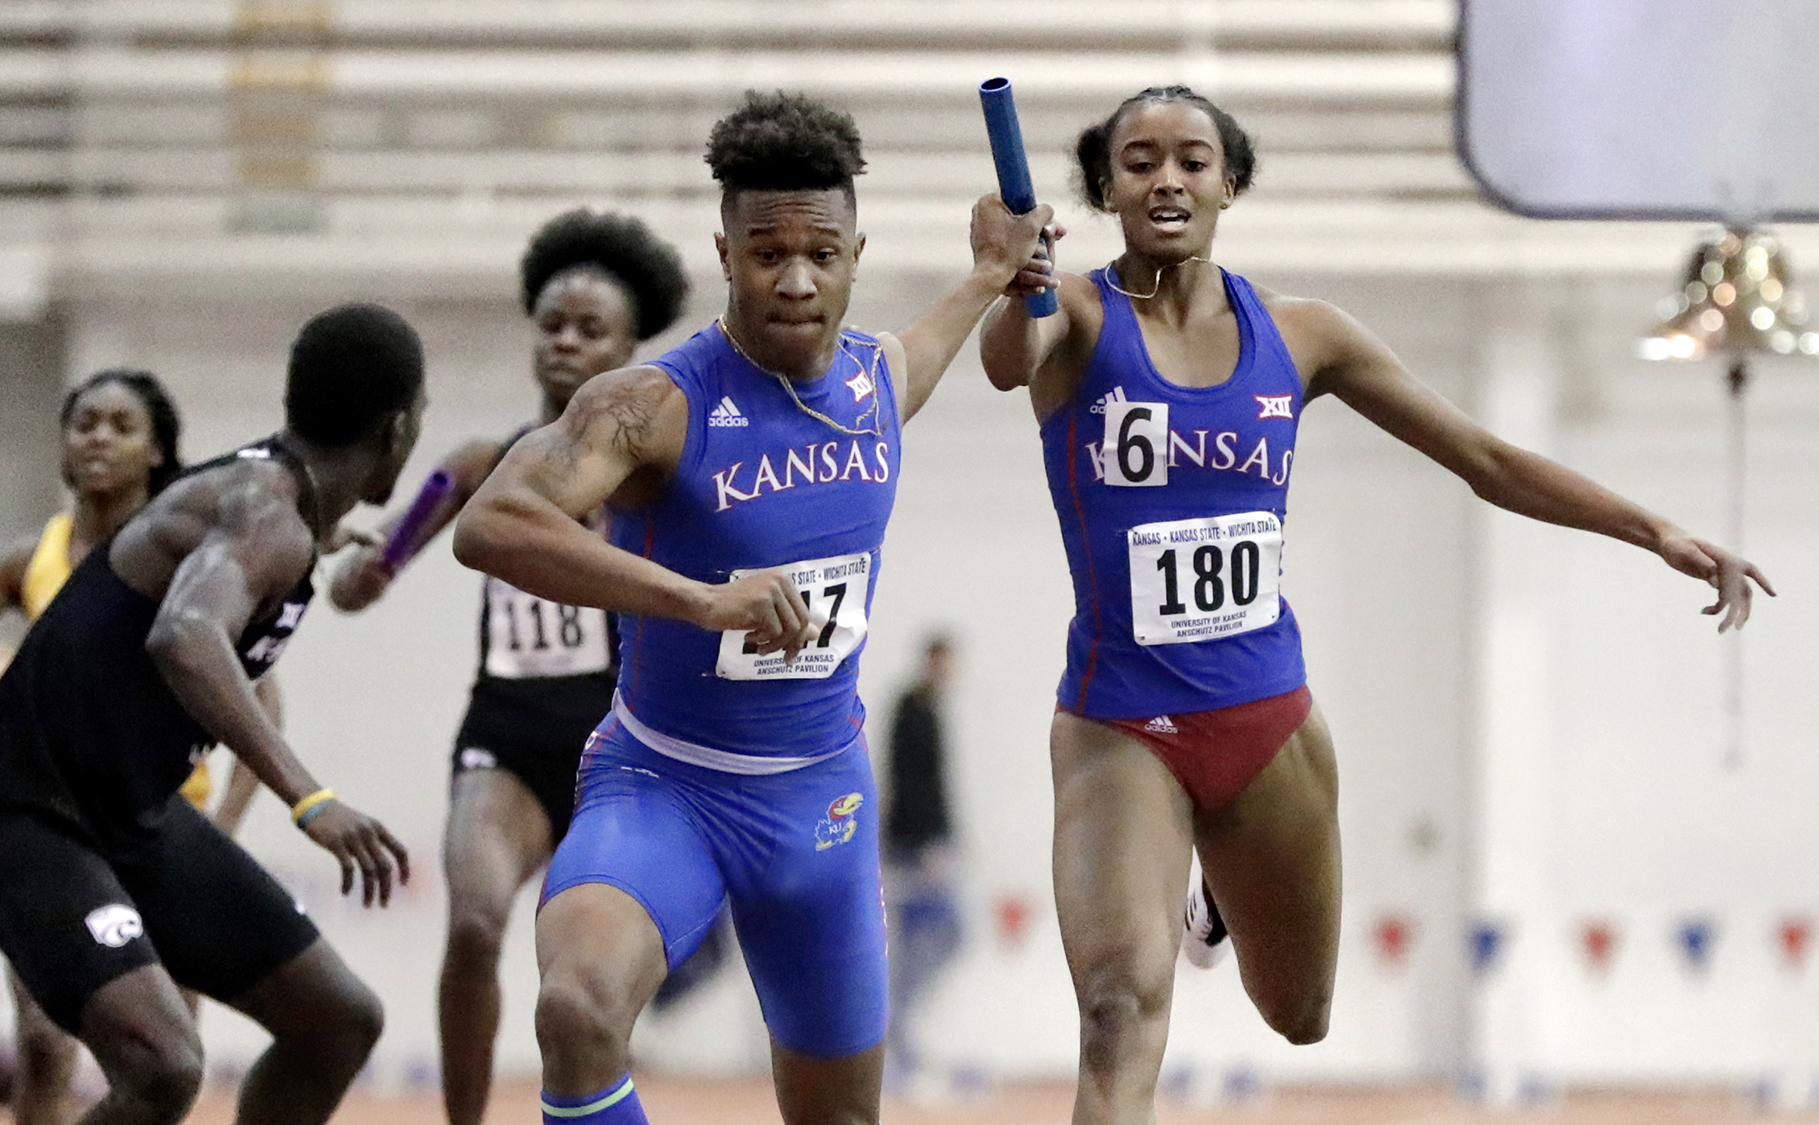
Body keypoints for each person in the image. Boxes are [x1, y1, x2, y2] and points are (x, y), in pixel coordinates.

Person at [976, 85, 1775, 1123]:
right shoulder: (1074, 317)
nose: (1164, 179)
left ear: (1230, 184)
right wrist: (1008, 280)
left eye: (1190, 160)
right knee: (1118, 1009)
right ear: (1104, 188)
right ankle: (1167, 867)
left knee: (1298, 1013)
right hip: (1119, 719)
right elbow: (1007, 363)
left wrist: (1650, 529)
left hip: (1264, 716)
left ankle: (1209, 892)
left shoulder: (1304, 335)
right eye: (1136, 162)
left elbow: (1484, 458)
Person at [449, 90, 1051, 1125]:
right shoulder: (650, 406)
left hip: (818, 806)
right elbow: (489, 525)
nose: (796, 279)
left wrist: (994, 273)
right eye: (765, 252)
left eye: (820, 252)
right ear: (722, 254)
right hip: (660, 789)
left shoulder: (875, 382)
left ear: (855, 251)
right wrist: (695, 600)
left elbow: (928, 352)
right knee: (575, 1009)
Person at [0, 303, 425, 1125]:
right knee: (163, 1065)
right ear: (399, 431)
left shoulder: (273, 506)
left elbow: (205, 556)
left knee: (338, 1020)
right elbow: (187, 634)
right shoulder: (265, 512)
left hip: (132, 812)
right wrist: (312, 798)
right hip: (21, 812)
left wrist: (324, 539)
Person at [327, 209, 699, 1125]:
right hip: (504, 734)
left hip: (618, 742)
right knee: (475, 922)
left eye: (591, 330)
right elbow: (368, 578)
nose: (567, 343)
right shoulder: (479, 465)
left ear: (629, 346)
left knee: (584, 971)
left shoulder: (652, 477)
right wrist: (359, 571)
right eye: (553, 325)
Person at [0, 368, 261, 1125]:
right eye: (83, 422)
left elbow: (260, 702)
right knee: (43, 1039)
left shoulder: (188, 558)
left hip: (162, 828)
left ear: (157, 452)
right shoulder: (33, 557)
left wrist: (222, 828)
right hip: (54, 826)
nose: (96, 437)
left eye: (120, 425)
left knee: (166, 1055)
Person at [881, 634, 964, 1089]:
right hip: (914, 845)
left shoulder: (931, 709)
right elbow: (909, 782)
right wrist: (930, 844)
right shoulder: (911, 709)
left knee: (920, 941)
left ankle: (899, 1032)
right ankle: (894, 1030)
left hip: (925, 842)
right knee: (944, 931)